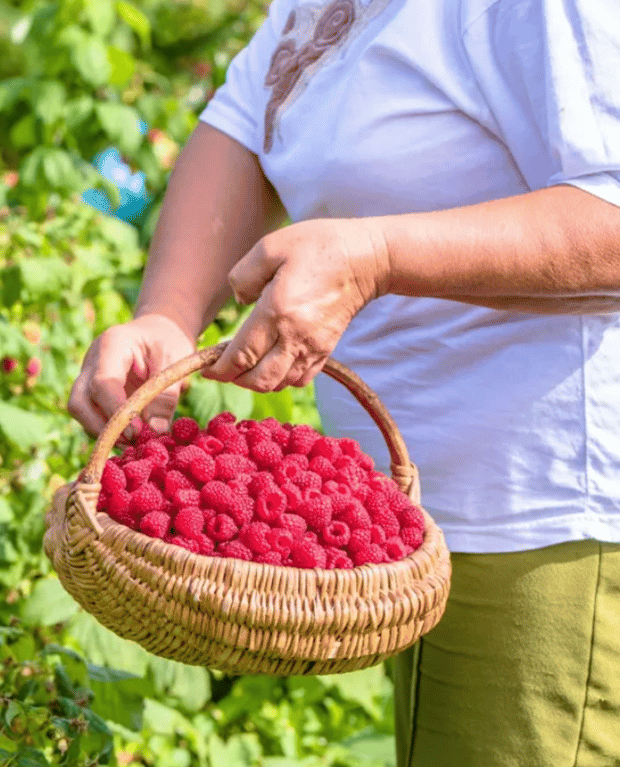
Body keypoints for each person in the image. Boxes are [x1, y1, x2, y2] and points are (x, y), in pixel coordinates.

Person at [65, 0, 620, 765]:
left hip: (544, 524)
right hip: (401, 531)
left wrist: (375, 258)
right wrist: (169, 312)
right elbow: (244, 126)